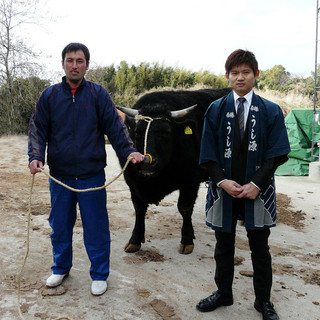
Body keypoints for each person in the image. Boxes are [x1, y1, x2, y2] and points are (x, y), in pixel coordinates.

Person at [28, 43, 144, 296]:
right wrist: (36, 156)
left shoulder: (98, 94)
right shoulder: (49, 96)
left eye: (80, 61)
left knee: (96, 226)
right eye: (70, 60)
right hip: (60, 176)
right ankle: (60, 268)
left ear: (87, 65)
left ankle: (100, 274)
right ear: (63, 64)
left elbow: (115, 127)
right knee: (59, 225)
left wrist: (129, 151)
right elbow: (37, 128)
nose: (74, 65)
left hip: (92, 175)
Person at [196, 49, 290, 320]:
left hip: (257, 192)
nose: (240, 78)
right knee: (222, 246)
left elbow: (277, 153)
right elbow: (207, 152)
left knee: (260, 249)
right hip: (224, 191)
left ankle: (263, 301)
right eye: (234, 73)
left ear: (256, 74)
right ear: (227, 76)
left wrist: (257, 184)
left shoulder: (271, 111)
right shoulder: (216, 109)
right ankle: (223, 293)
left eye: (245, 72)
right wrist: (222, 181)